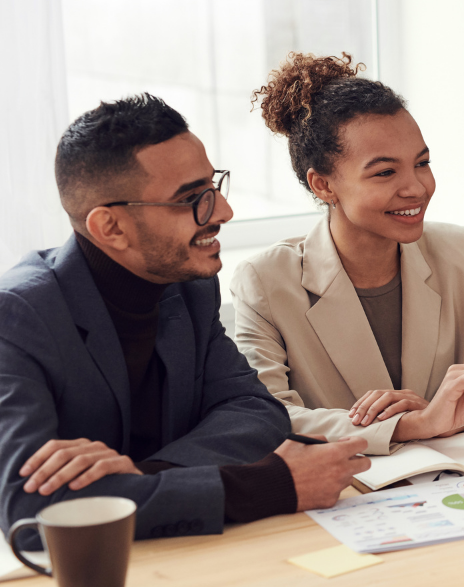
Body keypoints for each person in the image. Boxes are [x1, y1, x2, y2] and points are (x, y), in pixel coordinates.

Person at [0, 95, 369, 548]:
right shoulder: (15, 317)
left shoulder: (190, 287)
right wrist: (266, 484)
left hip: (185, 553)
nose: (223, 213)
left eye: (213, 187)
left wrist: (139, 474)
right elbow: (31, 513)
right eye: (191, 199)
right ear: (110, 228)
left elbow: (257, 413)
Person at [230, 53, 464, 455]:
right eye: (385, 172)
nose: (417, 187)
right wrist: (413, 425)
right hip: (348, 495)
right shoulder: (266, 280)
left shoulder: (455, 252)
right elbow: (265, 416)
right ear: (323, 185)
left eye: (422, 163)